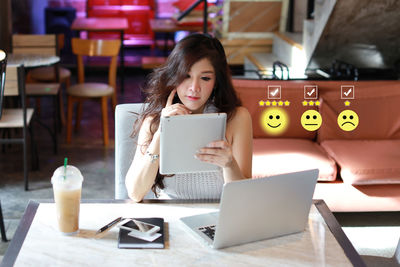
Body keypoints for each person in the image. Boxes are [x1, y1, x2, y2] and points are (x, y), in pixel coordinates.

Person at [125, 34, 253, 202]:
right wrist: (160, 135)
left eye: (205, 78)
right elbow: (135, 193)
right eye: (186, 76)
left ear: (216, 82)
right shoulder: (154, 121)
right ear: (174, 77)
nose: (194, 88)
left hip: (219, 218)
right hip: (171, 219)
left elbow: (243, 199)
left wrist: (229, 164)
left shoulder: (237, 119)